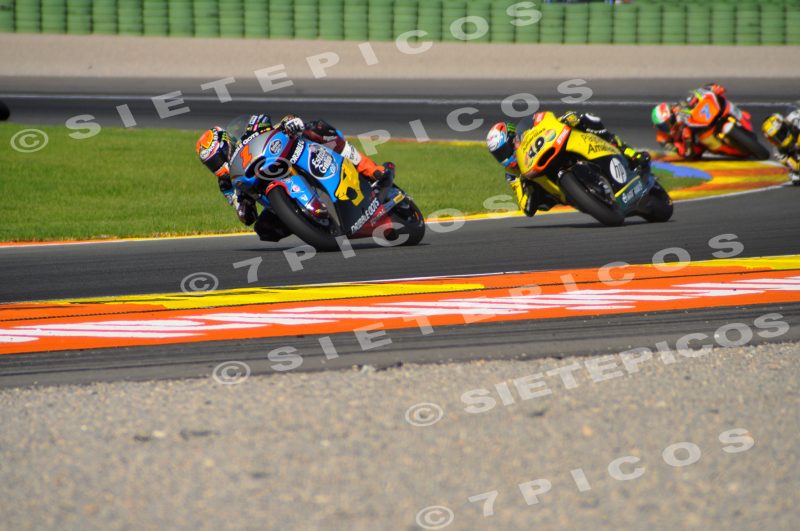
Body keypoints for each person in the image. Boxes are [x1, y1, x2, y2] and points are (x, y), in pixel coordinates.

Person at [195, 113, 393, 240]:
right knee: (264, 229)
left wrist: (289, 122)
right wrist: (243, 206)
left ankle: (372, 170)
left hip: (294, 156)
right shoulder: (227, 184)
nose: (217, 165)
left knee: (316, 128)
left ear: (227, 144)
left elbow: (271, 122)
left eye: (217, 158)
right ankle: (312, 228)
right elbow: (245, 216)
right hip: (274, 197)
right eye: (211, 164)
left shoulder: (250, 132)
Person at [486, 111, 650, 217]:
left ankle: (630, 153)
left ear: (513, 138)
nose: (505, 156)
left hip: (557, 149)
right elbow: (526, 207)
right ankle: (588, 195)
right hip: (556, 191)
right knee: (540, 200)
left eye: (505, 149)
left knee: (587, 119)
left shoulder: (529, 134)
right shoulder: (511, 174)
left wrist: (565, 119)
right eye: (498, 154)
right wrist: (525, 183)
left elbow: (546, 122)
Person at [651, 83, 728, 159]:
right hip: (693, 140)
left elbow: (692, 98)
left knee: (708, 93)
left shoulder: (677, 109)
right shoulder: (661, 138)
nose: (666, 127)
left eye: (667, 123)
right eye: (662, 126)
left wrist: (710, 89)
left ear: (671, 114)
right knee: (704, 146)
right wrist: (687, 146)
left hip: (700, 120)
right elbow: (679, 150)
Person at [762, 107, 800, 185]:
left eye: (780, 133)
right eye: (775, 138)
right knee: (796, 178)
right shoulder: (778, 153)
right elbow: (793, 166)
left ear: (784, 125)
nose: (779, 138)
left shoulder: (794, 118)